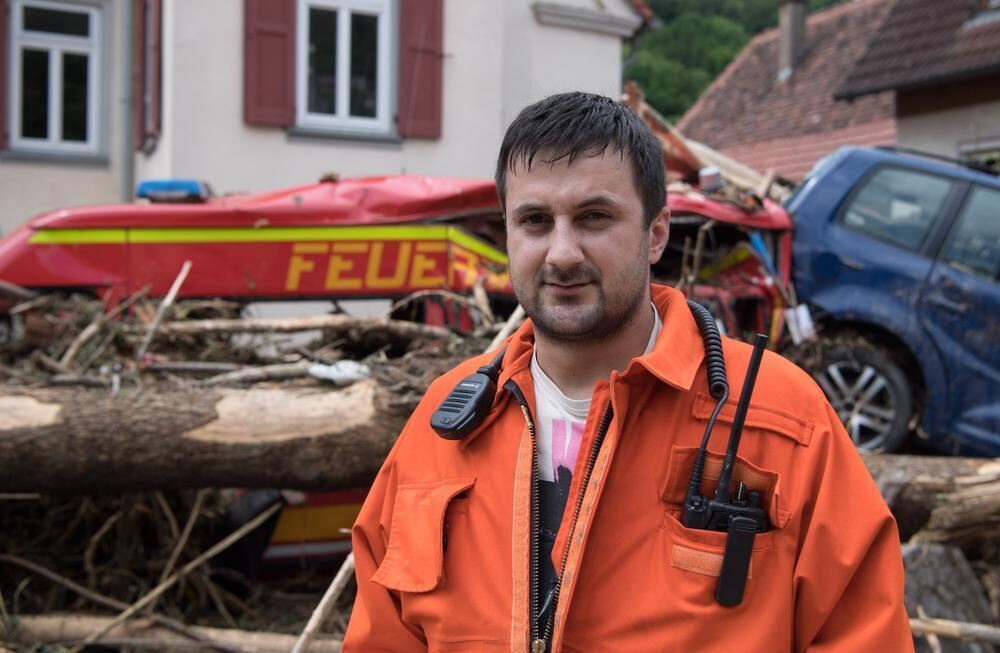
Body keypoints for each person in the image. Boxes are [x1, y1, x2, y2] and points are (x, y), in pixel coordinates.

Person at [342, 92, 914, 652]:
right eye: (536, 221)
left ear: (657, 233)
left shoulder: (782, 422)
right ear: (507, 235)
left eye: (594, 217)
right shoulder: (443, 426)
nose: (562, 253)